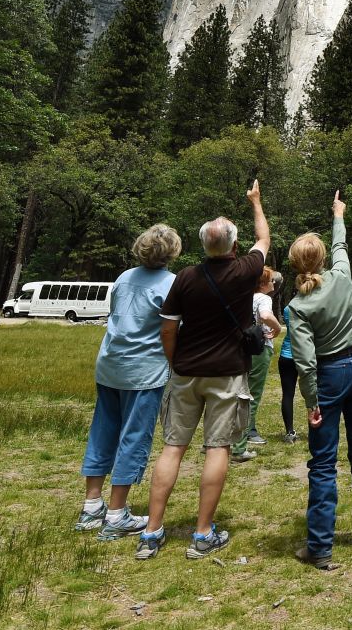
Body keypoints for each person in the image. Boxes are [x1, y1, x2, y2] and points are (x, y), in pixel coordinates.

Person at [135, 182, 270, 561]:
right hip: (227, 373)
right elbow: (264, 237)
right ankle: (202, 532)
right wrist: (255, 202)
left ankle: (151, 531)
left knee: (173, 447)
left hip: (186, 372)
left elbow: (168, 327)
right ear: (231, 245)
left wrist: (174, 361)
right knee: (217, 448)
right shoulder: (246, 270)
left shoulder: (186, 277)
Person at [288, 191, 352, 570]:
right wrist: (338, 213)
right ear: (324, 259)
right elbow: (341, 242)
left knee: (323, 463)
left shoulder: (297, 307)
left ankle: (321, 546)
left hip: (328, 377)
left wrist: (311, 403)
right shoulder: (342, 277)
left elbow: (306, 364)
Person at [77, 224, 182, 540]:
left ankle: (91, 506)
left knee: (103, 431)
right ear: (172, 252)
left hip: (109, 365)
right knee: (133, 437)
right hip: (144, 372)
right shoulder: (171, 284)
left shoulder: (123, 278)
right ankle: (116, 513)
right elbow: (173, 329)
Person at [231, 266, 284, 463]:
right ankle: (240, 447)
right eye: (271, 280)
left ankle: (218, 443)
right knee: (251, 397)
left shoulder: (243, 297)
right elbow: (265, 316)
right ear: (262, 283)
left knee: (234, 394)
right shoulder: (264, 298)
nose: (273, 283)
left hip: (240, 350)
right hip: (259, 350)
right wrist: (277, 329)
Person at [279, 289, 300, 445]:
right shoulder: (313, 307)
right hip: (306, 356)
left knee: (288, 394)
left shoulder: (288, 308)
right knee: (314, 393)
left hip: (287, 355)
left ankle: (290, 431)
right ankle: (316, 427)